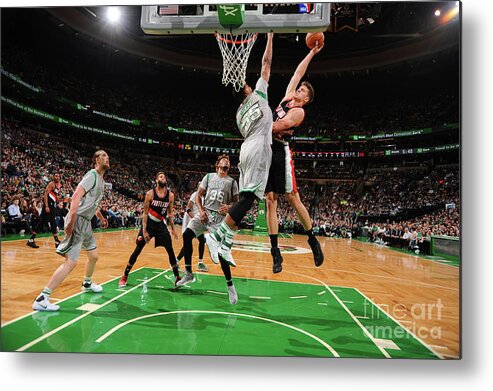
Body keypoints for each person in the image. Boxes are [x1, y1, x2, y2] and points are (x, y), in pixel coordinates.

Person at [204, 33, 274, 304]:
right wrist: (269, 37)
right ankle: (218, 236)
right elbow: (266, 64)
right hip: (257, 149)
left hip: (245, 149)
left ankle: (227, 243)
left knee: (245, 199)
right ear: (246, 89)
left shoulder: (238, 114)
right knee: (251, 198)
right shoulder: (257, 93)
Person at [264, 40, 324, 273]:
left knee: (292, 198)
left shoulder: (299, 111)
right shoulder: (288, 97)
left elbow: (280, 126)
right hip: (268, 148)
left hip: (281, 150)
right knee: (270, 201)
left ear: (306, 99)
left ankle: (312, 239)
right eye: (298, 88)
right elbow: (299, 72)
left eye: (302, 91)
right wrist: (311, 53)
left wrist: (259, 125)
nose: (298, 90)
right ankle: (275, 251)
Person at [32, 150, 110, 311]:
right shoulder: (92, 175)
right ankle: (42, 298)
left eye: (108, 156)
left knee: (93, 256)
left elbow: (92, 204)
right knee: (71, 262)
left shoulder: (101, 181)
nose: (107, 158)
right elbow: (76, 196)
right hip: (78, 220)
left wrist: (101, 218)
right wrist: (71, 219)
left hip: (86, 222)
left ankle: (87, 283)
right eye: (103, 156)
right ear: (96, 160)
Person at [177, 155, 239, 301]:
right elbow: (199, 195)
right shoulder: (209, 177)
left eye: (228, 167)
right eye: (223, 166)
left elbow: (238, 203)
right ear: (217, 166)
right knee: (186, 235)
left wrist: (229, 207)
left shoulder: (232, 182)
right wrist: (201, 211)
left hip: (219, 219)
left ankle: (230, 286)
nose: (225, 169)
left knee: (222, 254)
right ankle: (188, 273)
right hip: (205, 214)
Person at [118, 172, 180, 288]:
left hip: (161, 224)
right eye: (161, 176)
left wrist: (172, 228)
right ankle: (125, 275)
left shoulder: (170, 195)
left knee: (170, 249)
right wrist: (145, 231)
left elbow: (170, 214)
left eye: (164, 177)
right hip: (149, 224)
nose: (164, 178)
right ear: (156, 180)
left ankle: (177, 277)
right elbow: (145, 213)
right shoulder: (150, 194)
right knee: (138, 248)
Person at [176, 185, 208, 272]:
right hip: (190, 219)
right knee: (187, 243)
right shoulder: (195, 195)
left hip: (196, 220)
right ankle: (175, 263)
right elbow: (188, 209)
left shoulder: (205, 197)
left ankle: (200, 263)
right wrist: (195, 219)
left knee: (202, 240)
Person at [26, 173, 63, 249]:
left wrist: (64, 199)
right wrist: (46, 206)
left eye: (58, 176)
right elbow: (45, 194)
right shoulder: (51, 184)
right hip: (48, 205)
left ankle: (31, 239)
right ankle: (56, 241)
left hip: (52, 205)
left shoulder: (59, 185)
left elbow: (54, 197)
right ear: (53, 177)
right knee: (50, 222)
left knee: (45, 222)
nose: (57, 177)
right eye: (56, 175)